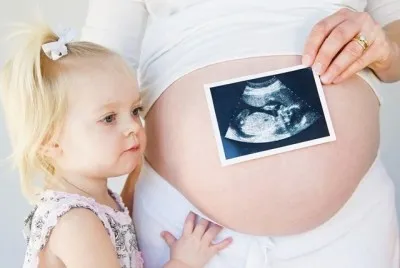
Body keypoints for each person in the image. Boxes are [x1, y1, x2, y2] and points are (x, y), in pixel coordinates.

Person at [81, 0, 400, 267]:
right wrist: (75, 208)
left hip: (351, 229)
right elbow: (91, 71)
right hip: (188, 234)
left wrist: (384, 49)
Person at [0, 22, 232, 268]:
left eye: (135, 110)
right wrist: (183, 262)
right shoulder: (76, 223)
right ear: (50, 142)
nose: (134, 126)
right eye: (109, 118)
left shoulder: (91, 198)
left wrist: (136, 181)